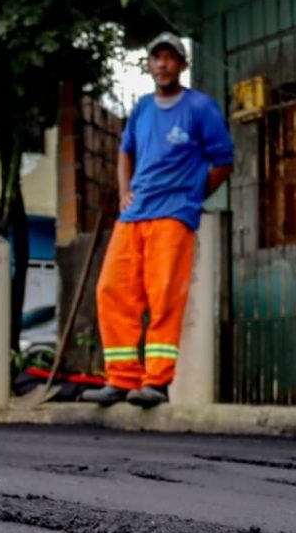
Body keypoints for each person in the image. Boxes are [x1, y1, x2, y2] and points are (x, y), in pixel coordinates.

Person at [82, 32, 234, 409]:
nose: (163, 64)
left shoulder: (201, 108)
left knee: (163, 295)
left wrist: (194, 195)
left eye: (171, 58)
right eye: (157, 58)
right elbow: (125, 151)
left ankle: (156, 382)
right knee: (111, 290)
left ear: (183, 65)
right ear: (149, 65)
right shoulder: (143, 108)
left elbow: (224, 161)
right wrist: (124, 191)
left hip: (172, 216)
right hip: (134, 214)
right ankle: (120, 379)